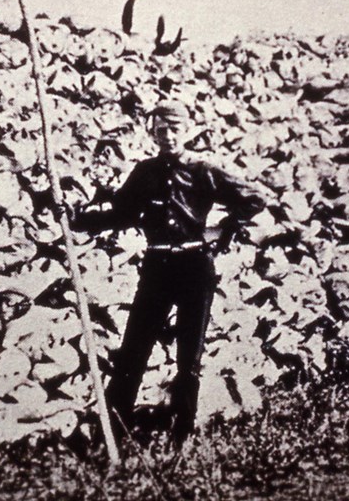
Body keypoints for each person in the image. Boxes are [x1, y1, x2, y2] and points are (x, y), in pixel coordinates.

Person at [70, 99, 266, 445]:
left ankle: (180, 438)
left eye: (175, 129)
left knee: (188, 357)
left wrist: (224, 229)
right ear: (153, 133)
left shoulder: (203, 169)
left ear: (188, 130)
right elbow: (121, 214)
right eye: (161, 131)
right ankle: (113, 435)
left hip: (194, 268)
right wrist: (77, 219)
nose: (168, 136)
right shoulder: (145, 172)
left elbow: (253, 198)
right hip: (157, 267)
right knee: (133, 351)